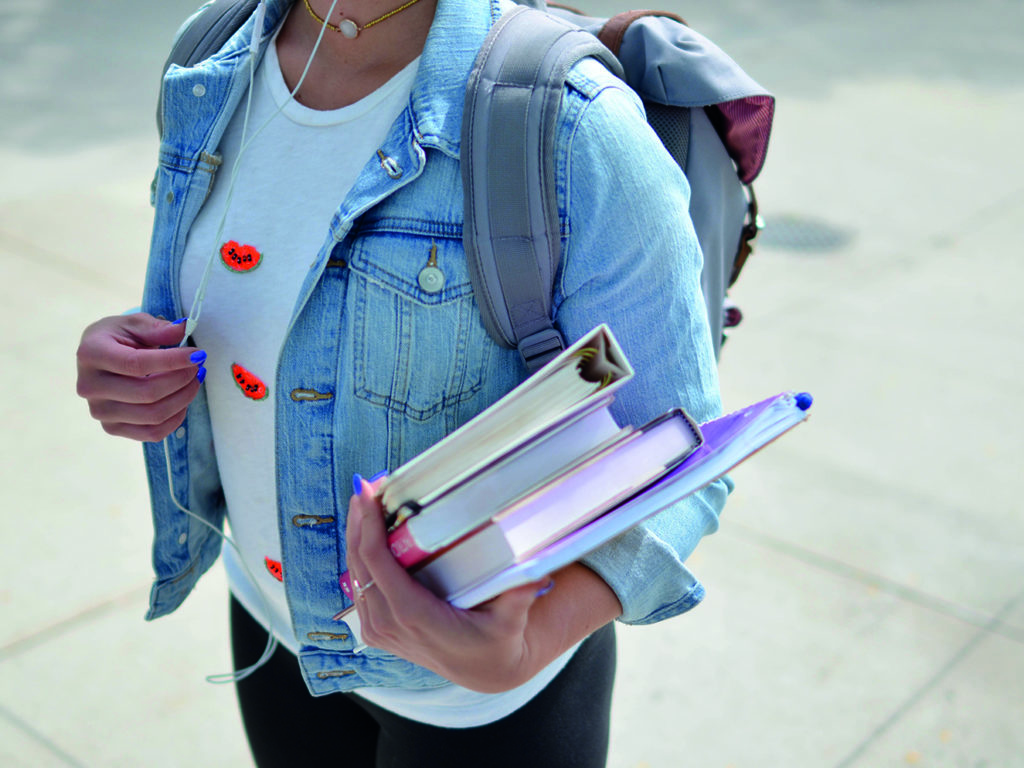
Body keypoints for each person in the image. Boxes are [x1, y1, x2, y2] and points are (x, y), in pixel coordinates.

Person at [75, 0, 729, 764]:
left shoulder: (572, 124)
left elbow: (679, 451)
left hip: (482, 705)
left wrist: (524, 647)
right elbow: (254, 293)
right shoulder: (211, 54)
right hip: (271, 623)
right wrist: (132, 355)